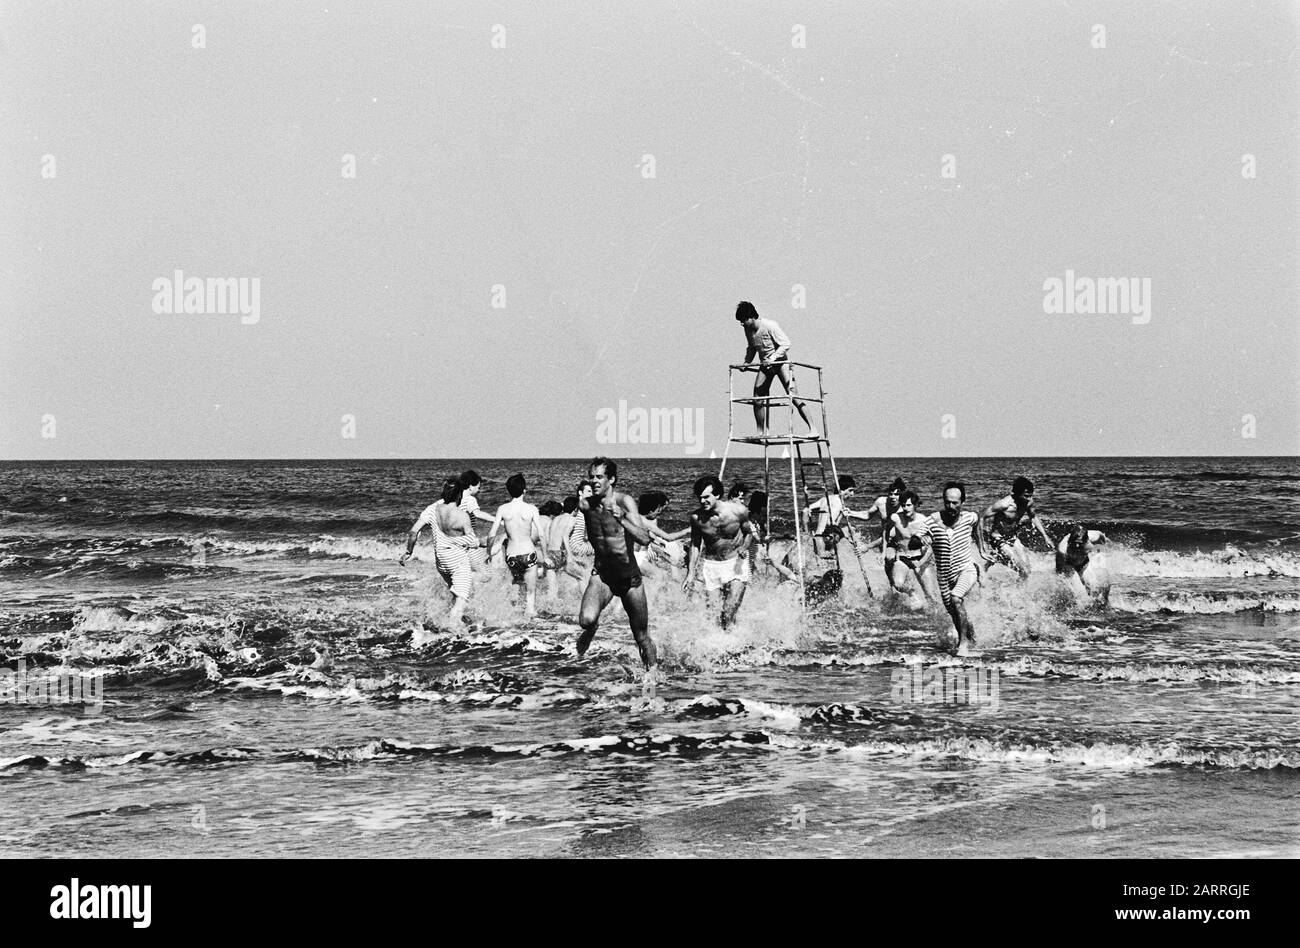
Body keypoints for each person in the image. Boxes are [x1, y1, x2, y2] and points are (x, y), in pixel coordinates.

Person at [576, 458, 659, 682]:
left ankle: (651, 680)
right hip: (602, 576)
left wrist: (621, 518)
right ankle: (593, 629)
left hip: (629, 577)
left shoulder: (625, 502)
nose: (594, 481)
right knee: (586, 620)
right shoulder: (585, 505)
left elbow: (645, 538)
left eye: (599, 477)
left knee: (641, 636)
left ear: (611, 479)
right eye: (591, 476)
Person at [399, 478, 489, 625]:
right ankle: (450, 631)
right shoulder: (462, 515)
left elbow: (413, 532)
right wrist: (488, 542)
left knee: (456, 593)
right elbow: (472, 542)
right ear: (459, 495)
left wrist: (408, 552)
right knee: (462, 599)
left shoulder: (432, 509)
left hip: (441, 562)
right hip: (458, 562)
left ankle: (442, 620)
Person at [683, 475, 757, 628]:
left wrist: (743, 548)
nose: (702, 501)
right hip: (711, 567)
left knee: (729, 611)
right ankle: (719, 648)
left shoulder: (739, 511)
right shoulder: (697, 518)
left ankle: (733, 645)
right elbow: (695, 545)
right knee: (714, 615)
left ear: (717, 495)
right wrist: (690, 573)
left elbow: (748, 533)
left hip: (735, 564)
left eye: (706, 497)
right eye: (700, 498)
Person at [735, 301, 817, 438]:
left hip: (780, 362)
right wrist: (746, 362)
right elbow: (751, 347)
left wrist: (772, 358)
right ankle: (761, 432)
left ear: (751, 317)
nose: (742, 324)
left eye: (743, 320)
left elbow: (786, 343)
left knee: (794, 396)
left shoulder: (769, 325)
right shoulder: (748, 330)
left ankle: (813, 429)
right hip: (765, 365)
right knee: (757, 397)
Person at [927, 481, 983, 655]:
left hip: (966, 569)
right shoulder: (934, 520)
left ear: (962, 502)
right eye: (947, 502)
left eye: (955, 502)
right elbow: (919, 535)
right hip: (943, 576)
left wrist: (982, 548)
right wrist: (918, 541)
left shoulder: (969, 517)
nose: (951, 506)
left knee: (956, 598)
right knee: (954, 611)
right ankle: (972, 637)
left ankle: (963, 643)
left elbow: (978, 520)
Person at [486, 474, 545, 618]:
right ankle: (529, 617)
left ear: (509, 491)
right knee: (530, 592)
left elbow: (491, 534)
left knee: (518, 584)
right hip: (528, 554)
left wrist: (489, 553)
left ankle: (516, 617)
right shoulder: (531, 509)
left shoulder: (503, 509)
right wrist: (547, 555)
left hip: (511, 555)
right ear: (524, 490)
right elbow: (542, 535)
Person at [980, 476, 1054, 578]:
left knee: (1028, 568)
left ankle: (996, 558)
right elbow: (981, 517)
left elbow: (1033, 517)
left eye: (1030, 495)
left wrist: (1046, 537)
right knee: (1024, 571)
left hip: (1012, 538)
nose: (1028, 499)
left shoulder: (1028, 502)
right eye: (1026, 496)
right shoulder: (1004, 504)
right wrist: (982, 542)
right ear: (1017, 494)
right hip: (998, 539)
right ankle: (1012, 593)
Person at [884, 490, 940, 602]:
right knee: (898, 584)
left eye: (909, 505)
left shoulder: (924, 521)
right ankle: (911, 592)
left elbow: (932, 546)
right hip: (903, 558)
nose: (905, 508)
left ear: (915, 505)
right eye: (903, 505)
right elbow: (886, 531)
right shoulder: (895, 518)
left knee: (931, 596)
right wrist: (886, 550)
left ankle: (935, 616)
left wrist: (921, 562)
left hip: (921, 559)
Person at [635, 491, 690, 576]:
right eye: (658, 510)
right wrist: (687, 530)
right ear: (650, 511)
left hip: (632, 557)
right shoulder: (647, 523)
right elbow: (669, 537)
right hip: (639, 559)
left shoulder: (634, 517)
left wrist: (657, 541)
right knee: (661, 576)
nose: (659, 513)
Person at [1056, 525, 1111, 605]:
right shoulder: (1062, 549)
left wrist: (1107, 544)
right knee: (1079, 595)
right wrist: (1062, 581)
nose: (1077, 546)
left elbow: (1102, 538)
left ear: (1086, 540)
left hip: (1083, 563)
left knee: (1094, 589)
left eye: (1080, 544)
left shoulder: (1093, 536)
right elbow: (1059, 569)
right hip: (1069, 565)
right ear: (1070, 541)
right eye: (1075, 543)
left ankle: (1101, 606)